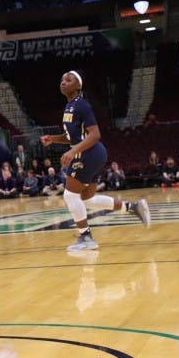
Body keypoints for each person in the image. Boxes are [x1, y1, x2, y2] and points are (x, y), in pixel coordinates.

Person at [40, 71, 150, 252]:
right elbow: (72, 137)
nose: (63, 82)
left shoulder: (82, 105)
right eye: (62, 80)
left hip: (88, 153)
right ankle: (133, 207)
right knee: (87, 198)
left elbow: (95, 134)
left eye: (68, 80)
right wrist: (53, 139)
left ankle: (86, 238)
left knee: (70, 195)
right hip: (93, 154)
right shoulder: (69, 106)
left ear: (78, 85)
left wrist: (73, 151)